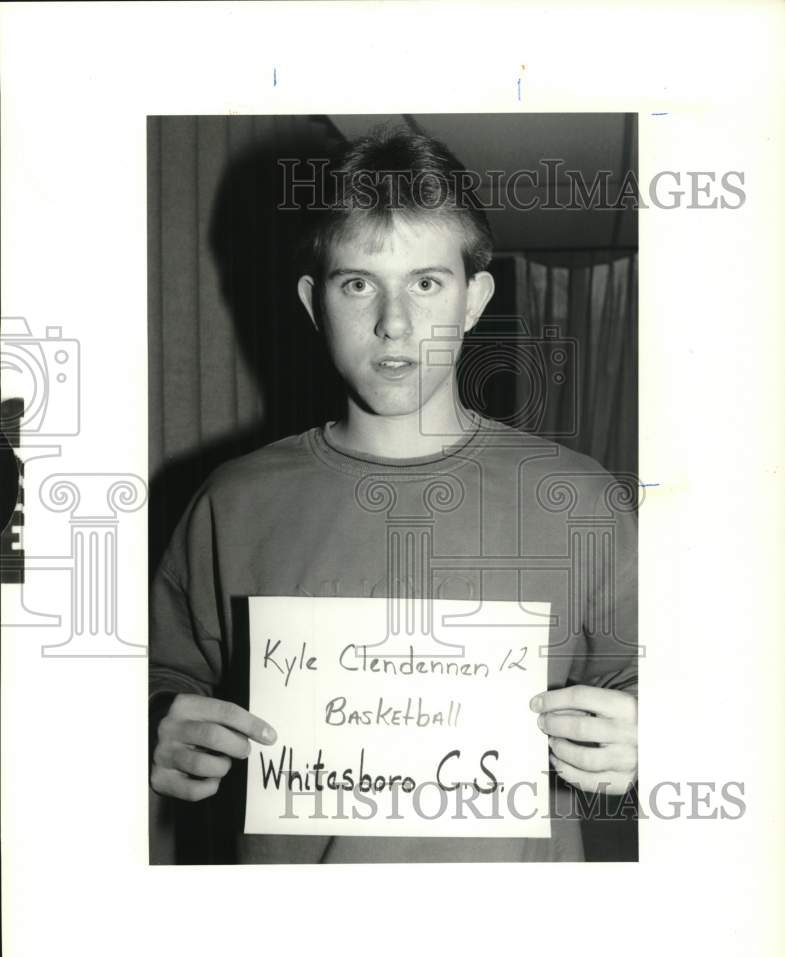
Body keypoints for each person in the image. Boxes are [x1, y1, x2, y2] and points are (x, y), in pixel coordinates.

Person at [149, 126, 638, 863]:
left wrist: (653, 732)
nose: (394, 323)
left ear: (474, 298)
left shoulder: (582, 498)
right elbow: (161, 674)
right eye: (358, 283)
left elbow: (675, 684)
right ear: (315, 303)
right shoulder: (231, 502)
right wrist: (154, 722)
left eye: (426, 282)